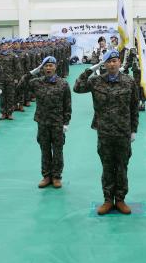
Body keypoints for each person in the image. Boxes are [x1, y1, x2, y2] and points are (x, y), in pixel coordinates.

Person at [73, 49, 139, 215]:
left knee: (122, 167)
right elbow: (77, 88)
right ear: (104, 64)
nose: (112, 64)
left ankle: (121, 199)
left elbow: (134, 108)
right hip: (104, 133)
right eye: (108, 61)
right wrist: (89, 70)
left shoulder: (129, 81)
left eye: (115, 61)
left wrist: (134, 130)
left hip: (123, 132)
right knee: (107, 167)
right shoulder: (96, 81)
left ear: (119, 63)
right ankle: (108, 200)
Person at [20, 56, 72, 189]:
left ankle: (56, 177)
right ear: (42, 68)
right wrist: (32, 72)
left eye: (51, 65)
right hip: (42, 122)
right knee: (45, 150)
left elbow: (67, 105)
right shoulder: (37, 82)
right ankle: (46, 176)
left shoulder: (63, 84)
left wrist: (66, 122)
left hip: (57, 122)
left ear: (55, 67)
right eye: (46, 66)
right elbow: (20, 87)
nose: (48, 68)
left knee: (58, 151)